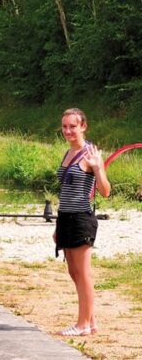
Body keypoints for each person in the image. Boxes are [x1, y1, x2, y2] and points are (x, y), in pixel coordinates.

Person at [54, 108, 111, 336]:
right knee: (73, 272)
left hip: (81, 218)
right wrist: (57, 226)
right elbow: (65, 191)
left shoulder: (91, 154)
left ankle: (82, 324)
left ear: (83, 126)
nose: (68, 131)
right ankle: (91, 321)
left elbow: (105, 191)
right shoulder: (68, 153)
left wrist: (98, 168)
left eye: (73, 126)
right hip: (65, 217)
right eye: (65, 126)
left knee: (84, 272)